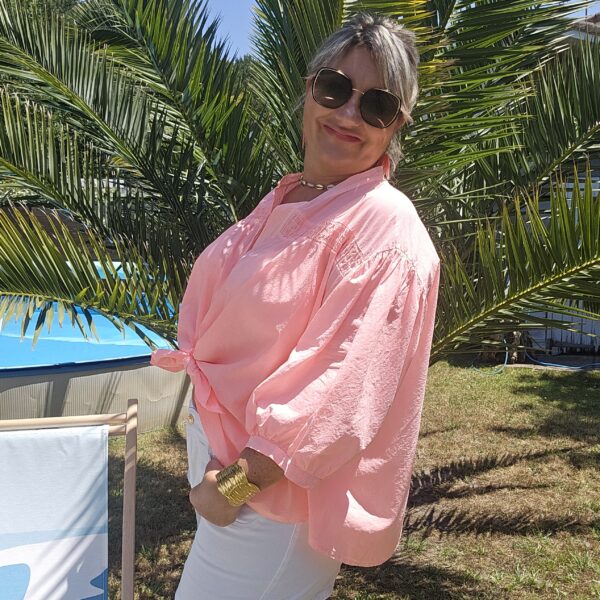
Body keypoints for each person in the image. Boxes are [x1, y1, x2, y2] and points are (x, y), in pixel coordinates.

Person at [151, 12, 440, 600]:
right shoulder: (295, 195)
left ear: (396, 125)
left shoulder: (386, 232)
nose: (349, 114)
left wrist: (231, 489)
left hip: (266, 501)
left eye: (377, 105)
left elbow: (336, 397)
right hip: (230, 473)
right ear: (309, 90)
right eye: (335, 88)